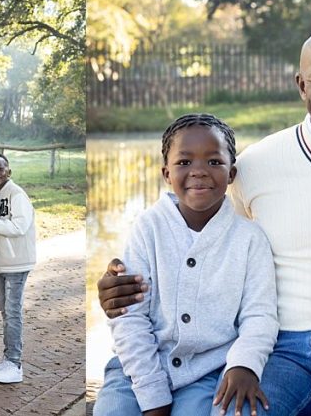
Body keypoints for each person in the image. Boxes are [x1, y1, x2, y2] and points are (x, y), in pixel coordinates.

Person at [98, 27, 311, 415]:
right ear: (301, 85)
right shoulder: (254, 166)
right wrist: (126, 289)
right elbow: (206, 242)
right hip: (276, 342)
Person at [94, 114, 278, 416]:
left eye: (214, 162)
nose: (199, 171)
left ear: (231, 174)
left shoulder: (249, 239)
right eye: (184, 162)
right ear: (167, 173)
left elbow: (260, 315)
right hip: (136, 369)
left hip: (206, 371)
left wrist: (245, 364)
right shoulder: (148, 228)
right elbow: (129, 316)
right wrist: (152, 394)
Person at [0, 153, 37, 384]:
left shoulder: (16, 194)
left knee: (13, 313)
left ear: (9, 171)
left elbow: (19, 226)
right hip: (2, 262)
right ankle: (7, 358)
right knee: (6, 313)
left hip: (17, 262)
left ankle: (15, 364)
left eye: (0, 168)